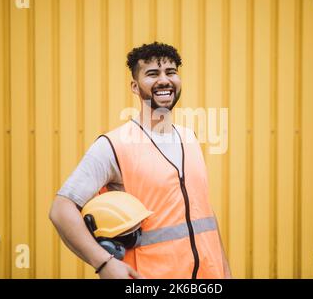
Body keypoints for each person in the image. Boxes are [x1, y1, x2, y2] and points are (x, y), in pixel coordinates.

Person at [49, 42, 232, 279]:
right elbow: (61, 210)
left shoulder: (189, 138)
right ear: (135, 86)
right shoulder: (114, 145)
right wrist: (104, 263)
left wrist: (225, 272)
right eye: (153, 74)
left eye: (171, 72)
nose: (164, 80)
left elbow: (204, 215)